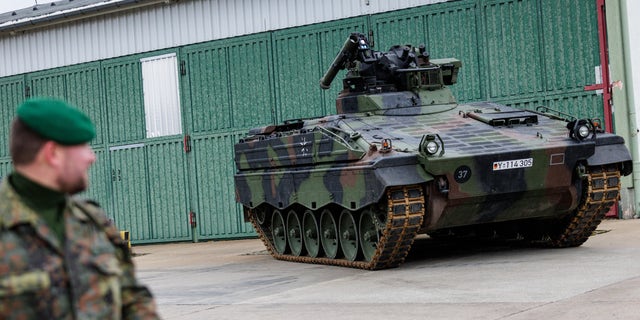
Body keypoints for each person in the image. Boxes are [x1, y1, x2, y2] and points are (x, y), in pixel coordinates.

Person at [0, 98, 159, 319]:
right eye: (83, 146)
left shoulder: (94, 222)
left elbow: (131, 298)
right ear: (53, 153)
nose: (91, 157)